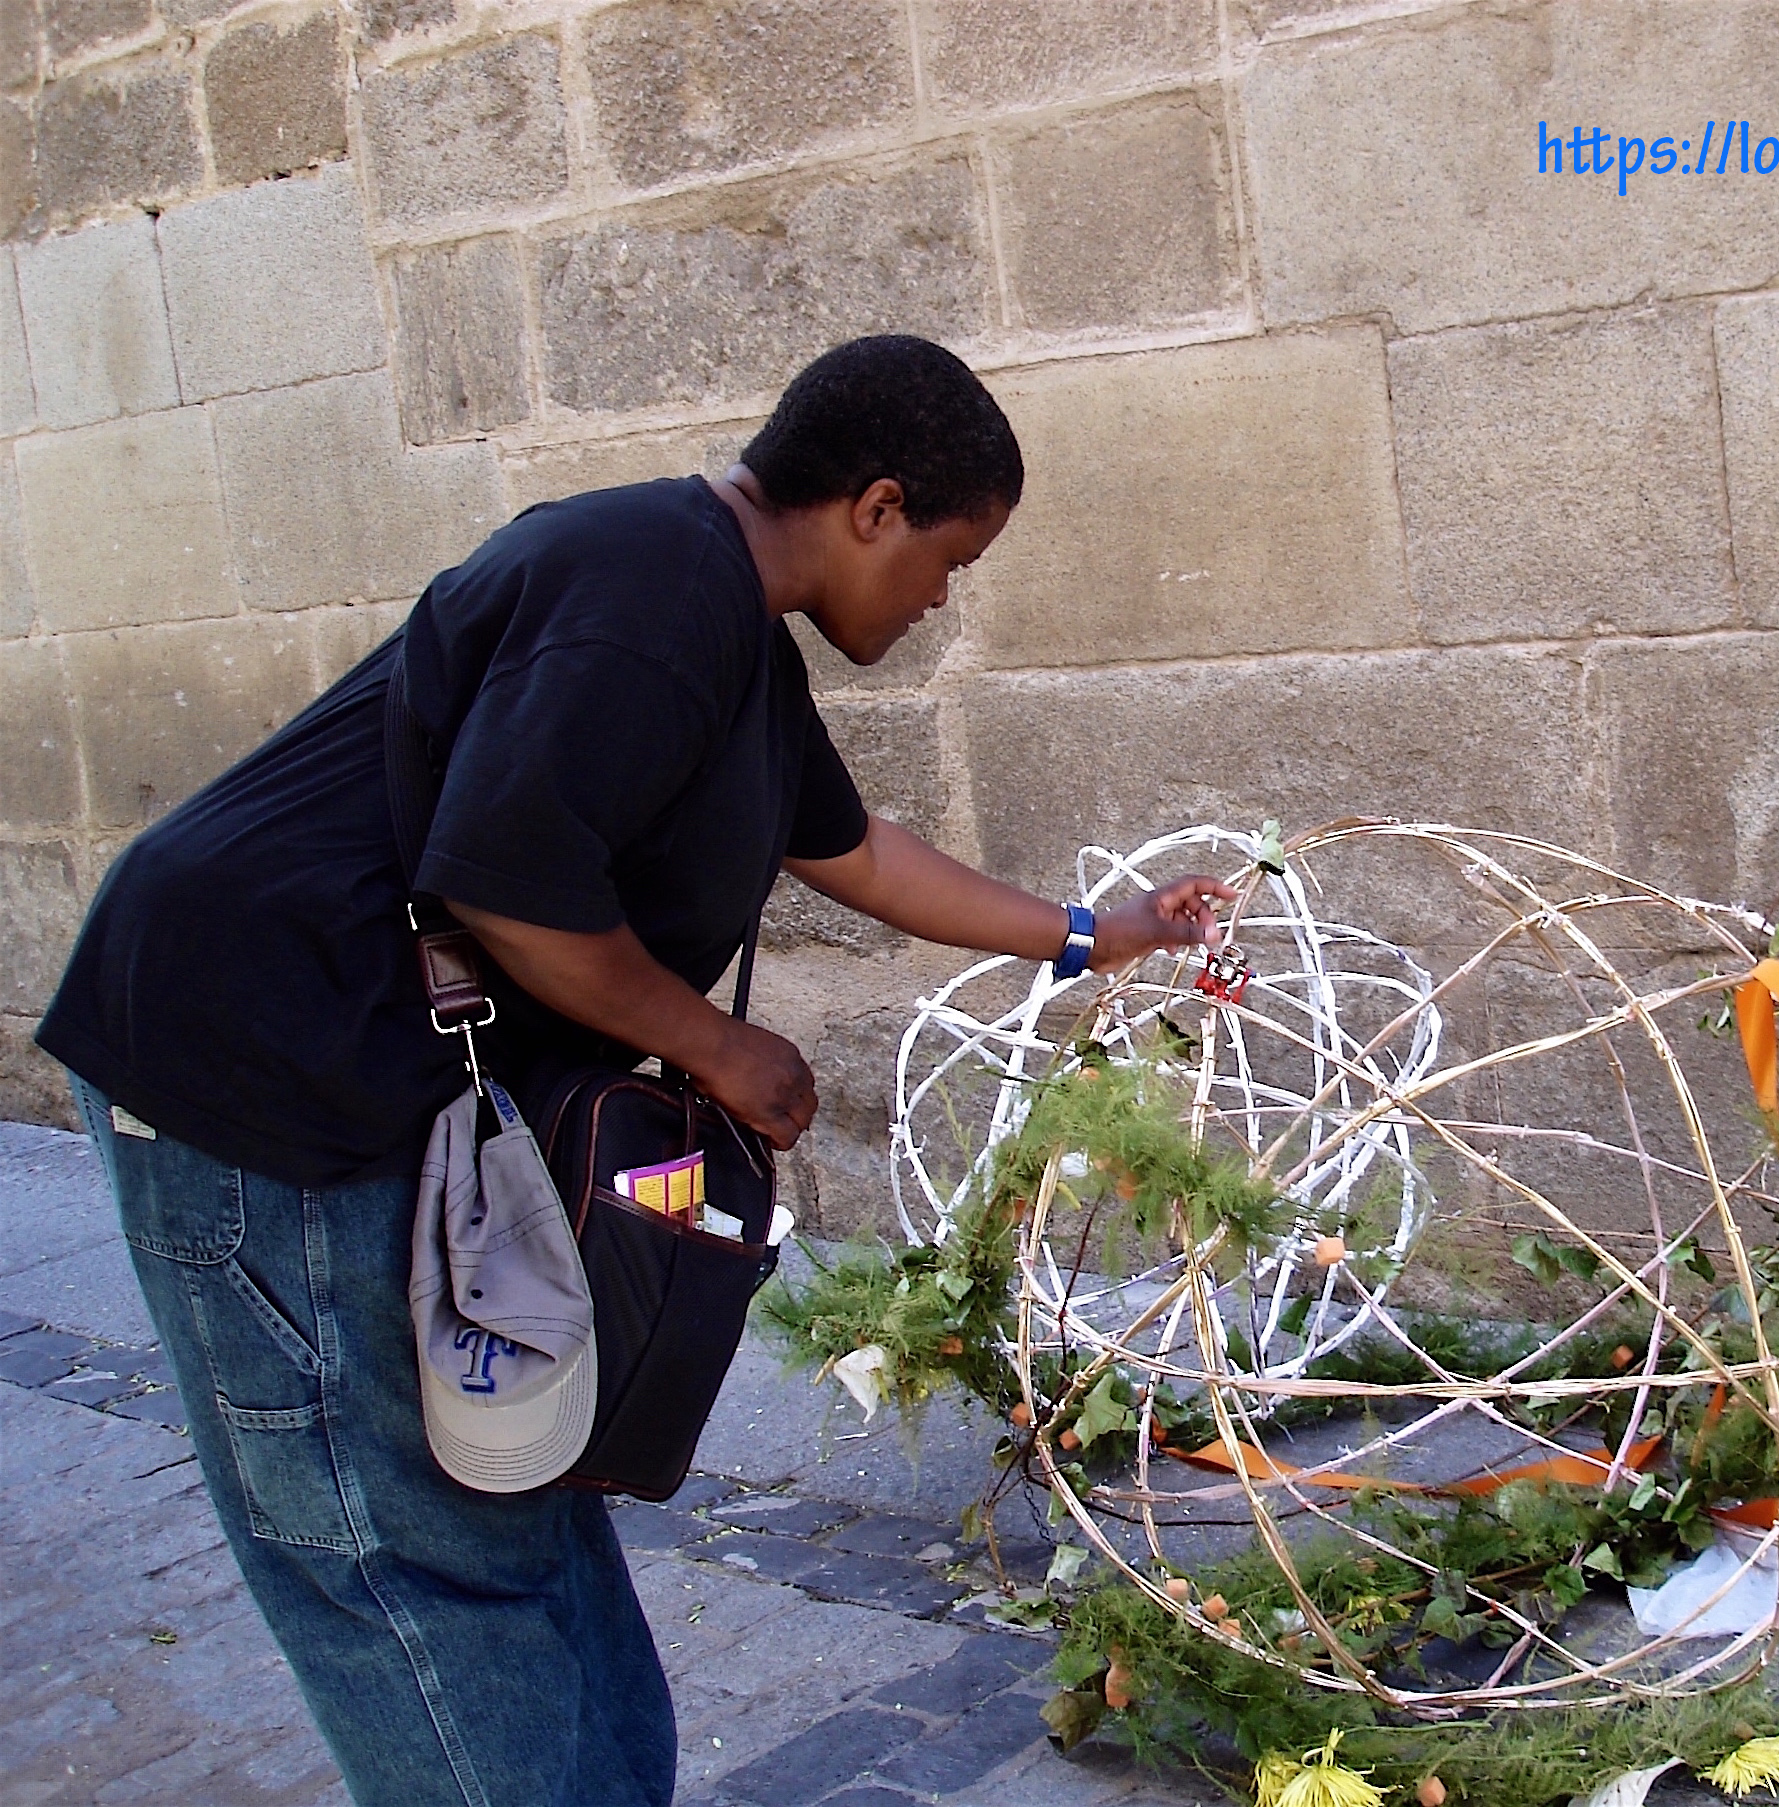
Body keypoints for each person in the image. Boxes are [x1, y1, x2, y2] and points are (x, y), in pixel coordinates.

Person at [35, 335, 1232, 1807]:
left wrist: (1102, 932)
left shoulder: (728, 624)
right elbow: (510, 887)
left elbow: (856, 852)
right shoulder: (649, 584)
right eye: (949, 560)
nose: (940, 601)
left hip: (377, 1077)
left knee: (508, 1479)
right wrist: (719, 1048)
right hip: (252, 1064)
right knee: (390, 1545)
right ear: (876, 507)